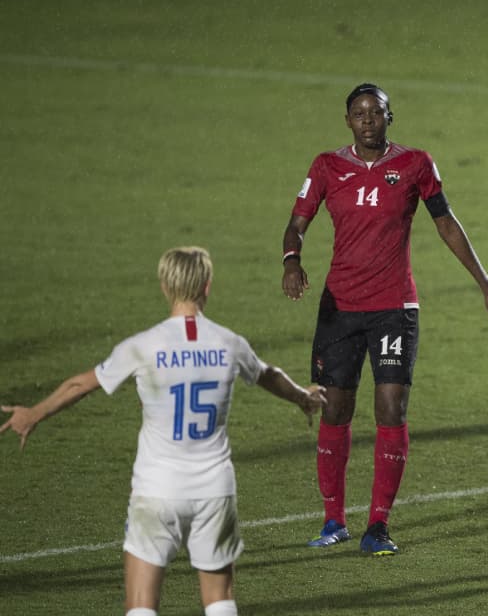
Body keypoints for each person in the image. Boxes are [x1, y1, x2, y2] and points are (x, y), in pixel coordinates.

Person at [0, 247, 325, 616]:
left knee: (141, 607)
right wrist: (303, 397)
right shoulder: (228, 343)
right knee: (220, 602)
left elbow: (80, 385)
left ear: (164, 286)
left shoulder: (143, 346)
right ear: (207, 285)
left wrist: (33, 414)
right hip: (214, 490)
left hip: (156, 490)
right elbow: (268, 375)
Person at [282, 82, 488, 557]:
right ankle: (333, 519)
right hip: (340, 309)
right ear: (347, 120)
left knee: (392, 409)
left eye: (376, 112)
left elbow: (446, 223)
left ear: (391, 117)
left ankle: (378, 525)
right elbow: (298, 220)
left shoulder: (415, 164)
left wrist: (485, 284)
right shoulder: (327, 166)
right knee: (335, 409)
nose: (368, 120)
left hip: (394, 308)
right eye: (359, 113)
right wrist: (291, 259)